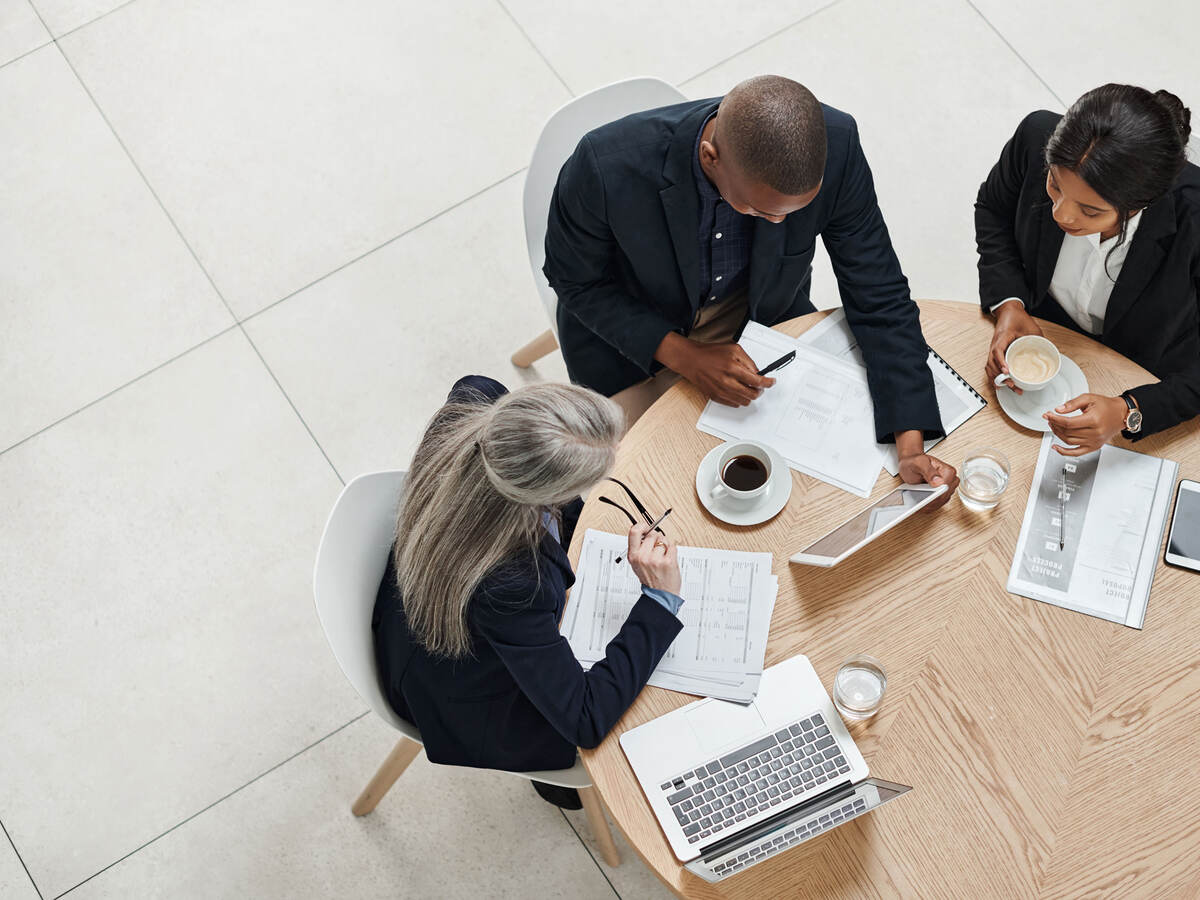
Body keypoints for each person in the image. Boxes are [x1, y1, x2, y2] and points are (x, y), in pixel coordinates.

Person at [543, 74, 958, 501]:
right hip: (632, 339)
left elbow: (879, 290)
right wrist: (684, 356)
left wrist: (909, 443)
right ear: (710, 157)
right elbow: (575, 281)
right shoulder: (604, 166)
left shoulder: (839, 145)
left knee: (803, 492)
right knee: (652, 490)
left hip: (762, 318)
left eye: (794, 212)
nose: (780, 222)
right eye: (759, 210)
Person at [372, 375, 684, 809]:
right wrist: (659, 599)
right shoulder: (516, 584)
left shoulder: (477, 402)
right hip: (457, 693)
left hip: (423, 599)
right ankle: (555, 786)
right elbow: (585, 719)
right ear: (542, 495)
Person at [976, 84, 1200, 455]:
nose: (1061, 214)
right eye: (1054, 185)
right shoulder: (1035, 138)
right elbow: (993, 210)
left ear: (1143, 203)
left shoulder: (1193, 217)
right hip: (1046, 326)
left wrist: (1133, 410)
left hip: (1146, 362)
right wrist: (1009, 303)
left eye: (1091, 211)